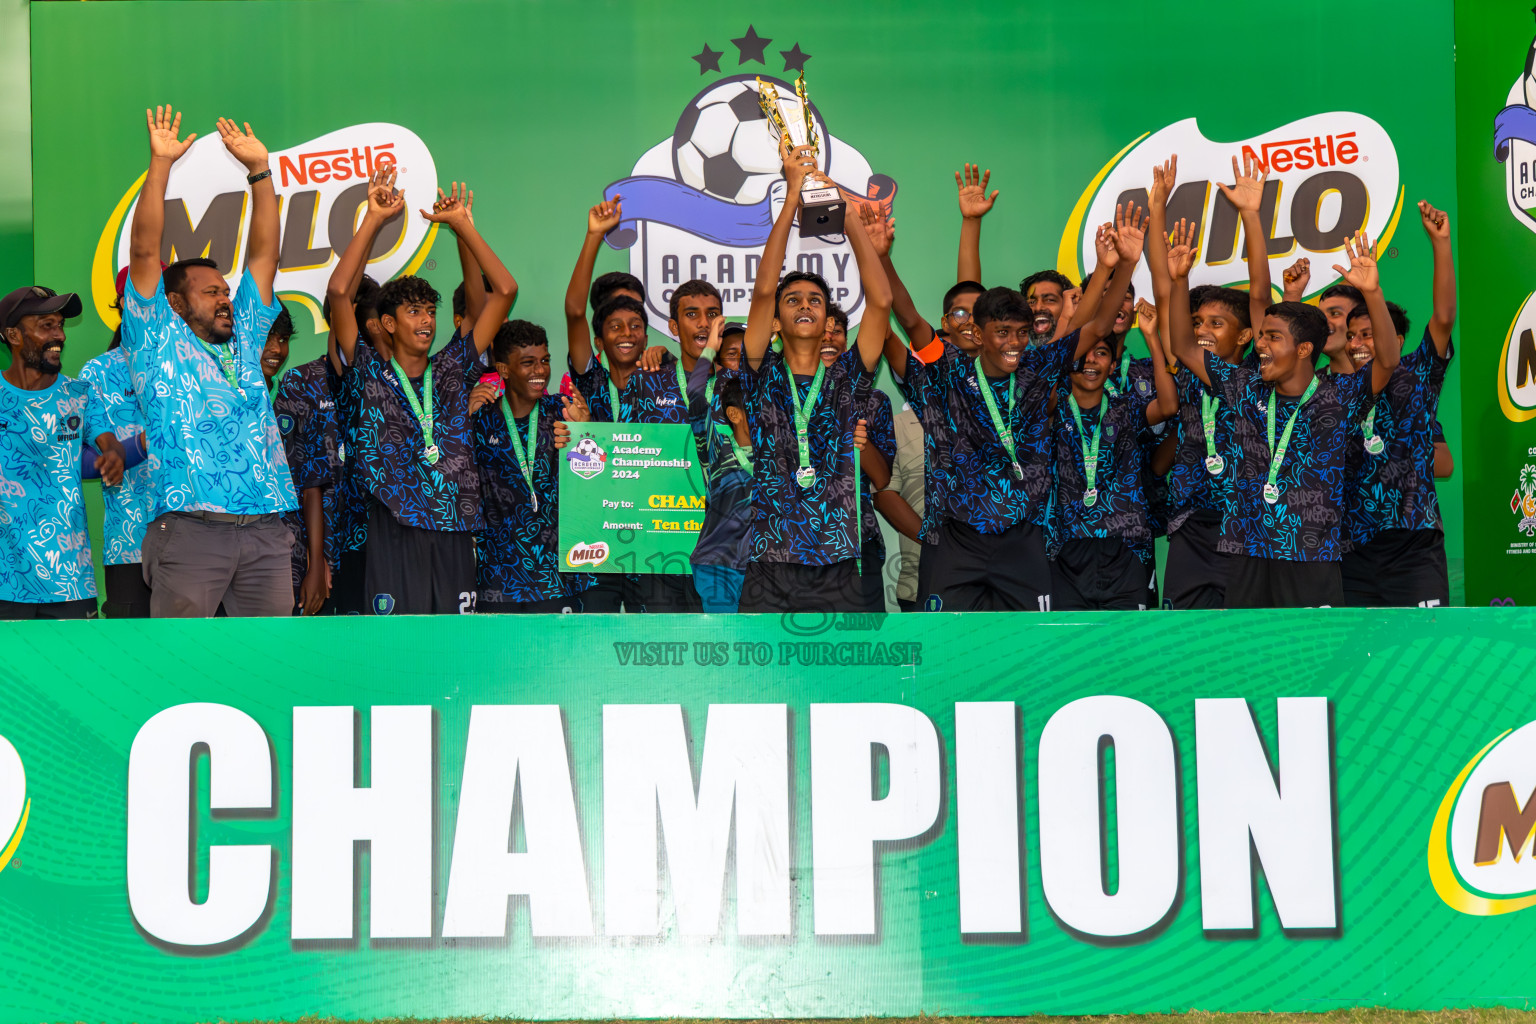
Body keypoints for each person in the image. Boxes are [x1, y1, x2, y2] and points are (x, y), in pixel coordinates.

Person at [884, 199, 1145, 612]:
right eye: (1002, 332)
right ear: (978, 332)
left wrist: (1123, 266)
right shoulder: (950, 370)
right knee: (948, 649)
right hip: (959, 538)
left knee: (1026, 652)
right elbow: (911, 319)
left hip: (1023, 538)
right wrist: (881, 255)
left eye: (1022, 332)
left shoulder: (1039, 368)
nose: (1014, 343)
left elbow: (1096, 326)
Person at [1167, 228, 1402, 608]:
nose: (1260, 345)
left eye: (1272, 337)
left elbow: (1388, 361)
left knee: (1315, 663)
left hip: (1311, 555)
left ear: (1304, 348)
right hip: (1247, 552)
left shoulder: (1338, 396)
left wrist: (1373, 293)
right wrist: (1179, 281)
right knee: (1252, 661)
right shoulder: (1244, 388)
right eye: (1261, 336)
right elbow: (1183, 346)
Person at [122, 109, 296, 618]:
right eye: (211, 292)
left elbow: (264, 257)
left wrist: (261, 172)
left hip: (266, 529)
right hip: (192, 529)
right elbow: (143, 249)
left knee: (271, 669)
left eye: (226, 290)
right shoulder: (156, 335)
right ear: (175, 303)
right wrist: (160, 165)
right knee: (184, 668)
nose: (225, 299)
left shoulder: (245, 335)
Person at [326, 170, 518, 615]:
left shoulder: (453, 367)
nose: (427, 321)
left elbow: (505, 291)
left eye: (430, 311)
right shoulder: (368, 371)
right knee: (398, 649)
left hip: (453, 526)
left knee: (454, 646)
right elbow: (339, 291)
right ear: (389, 324)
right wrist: (373, 218)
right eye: (414, 312)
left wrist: (462, 227)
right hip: (394, 525)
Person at [734, 141, 892, 612]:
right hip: (769, 559)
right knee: (761, 684)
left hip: (839, 562)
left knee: (840, 685)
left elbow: (880, 304)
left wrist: (851, 224)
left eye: (815, 300)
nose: (805, 304)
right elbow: (764, 288)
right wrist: (791, 195)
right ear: (776, 323)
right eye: (794, 300)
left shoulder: (847, 379)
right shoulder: (761, 375)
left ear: (828, 322)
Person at [565, 197, 702, 612]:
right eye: (615, 327)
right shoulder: (589, 380)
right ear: (600, 339)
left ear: (647, 335)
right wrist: (593, 236)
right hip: (598, 542)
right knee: (594, 650)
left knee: (662, 647)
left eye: (636, 327)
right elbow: (573, 311)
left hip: (658, 545)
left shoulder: (668, 376)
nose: (626, 334)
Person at [1338, 201, 1457, 607]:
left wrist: (1441, 243)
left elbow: (1443, 317)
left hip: (1413, 543)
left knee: (1422, 652)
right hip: (1352, 545)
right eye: (1352, 336)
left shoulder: (1418, 371)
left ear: (1396, 340)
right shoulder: (1334, 389)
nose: (1357, 344)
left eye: (1368, 334)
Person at [0, 285, 129, 619]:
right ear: (13, 335)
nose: (60, 335)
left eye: (60, 325)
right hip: (5, 581)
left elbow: (108, 442)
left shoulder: (80, 394)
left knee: (73, 671)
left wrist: (113, 456)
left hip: (70, 580)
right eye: (47, 326)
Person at [1047, 325, 1178, 610]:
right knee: (1070, 645)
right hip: (1067, 546)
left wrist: (1153, 339)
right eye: (1083, 355)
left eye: (1102, 353)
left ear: (1113, 364)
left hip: (1125, 546)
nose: (1091, 361)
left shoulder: (1127, 407)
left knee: (1127, 645)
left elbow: (1168, 406)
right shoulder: (1052, 412)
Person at [468, 319, 594, 613]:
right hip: (497, 581)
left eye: (545, 361)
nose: (540, 371)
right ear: (503, 369)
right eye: (528, 363)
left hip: (556, 579)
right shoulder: (480, 420)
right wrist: (462, 415)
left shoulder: (563, 413)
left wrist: (586, 432)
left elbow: (595, 481)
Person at [79, 269, 156, 618]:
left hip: (198, 541)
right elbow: (78, 457)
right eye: (145, 297)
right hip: (130, 543)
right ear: (124, 302)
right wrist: (135, 448)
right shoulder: (96, 373)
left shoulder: (193, 366)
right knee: (134, 657)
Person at [272, 341, 342, 616]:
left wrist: (318, 559)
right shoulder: (297, 383)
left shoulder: (370, 381)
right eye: (267, 337)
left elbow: (312, 482)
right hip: (279, 543)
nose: (275, 348)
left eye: (281, 340)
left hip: (338, 542)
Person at [691, 320, 755, 613]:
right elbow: (695, 393)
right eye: (732, 355)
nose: (740, 363)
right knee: (724, 645)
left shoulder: (779, 447)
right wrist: (708, 351)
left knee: (757, 650)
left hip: (761, 565)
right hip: (716, 562)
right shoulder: (714, 443)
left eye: (748, 356)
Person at [260, 307, 293, 389]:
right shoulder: (226, 395)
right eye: (266, 338)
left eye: (283, 339)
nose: (277, 350)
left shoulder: (291, 397)